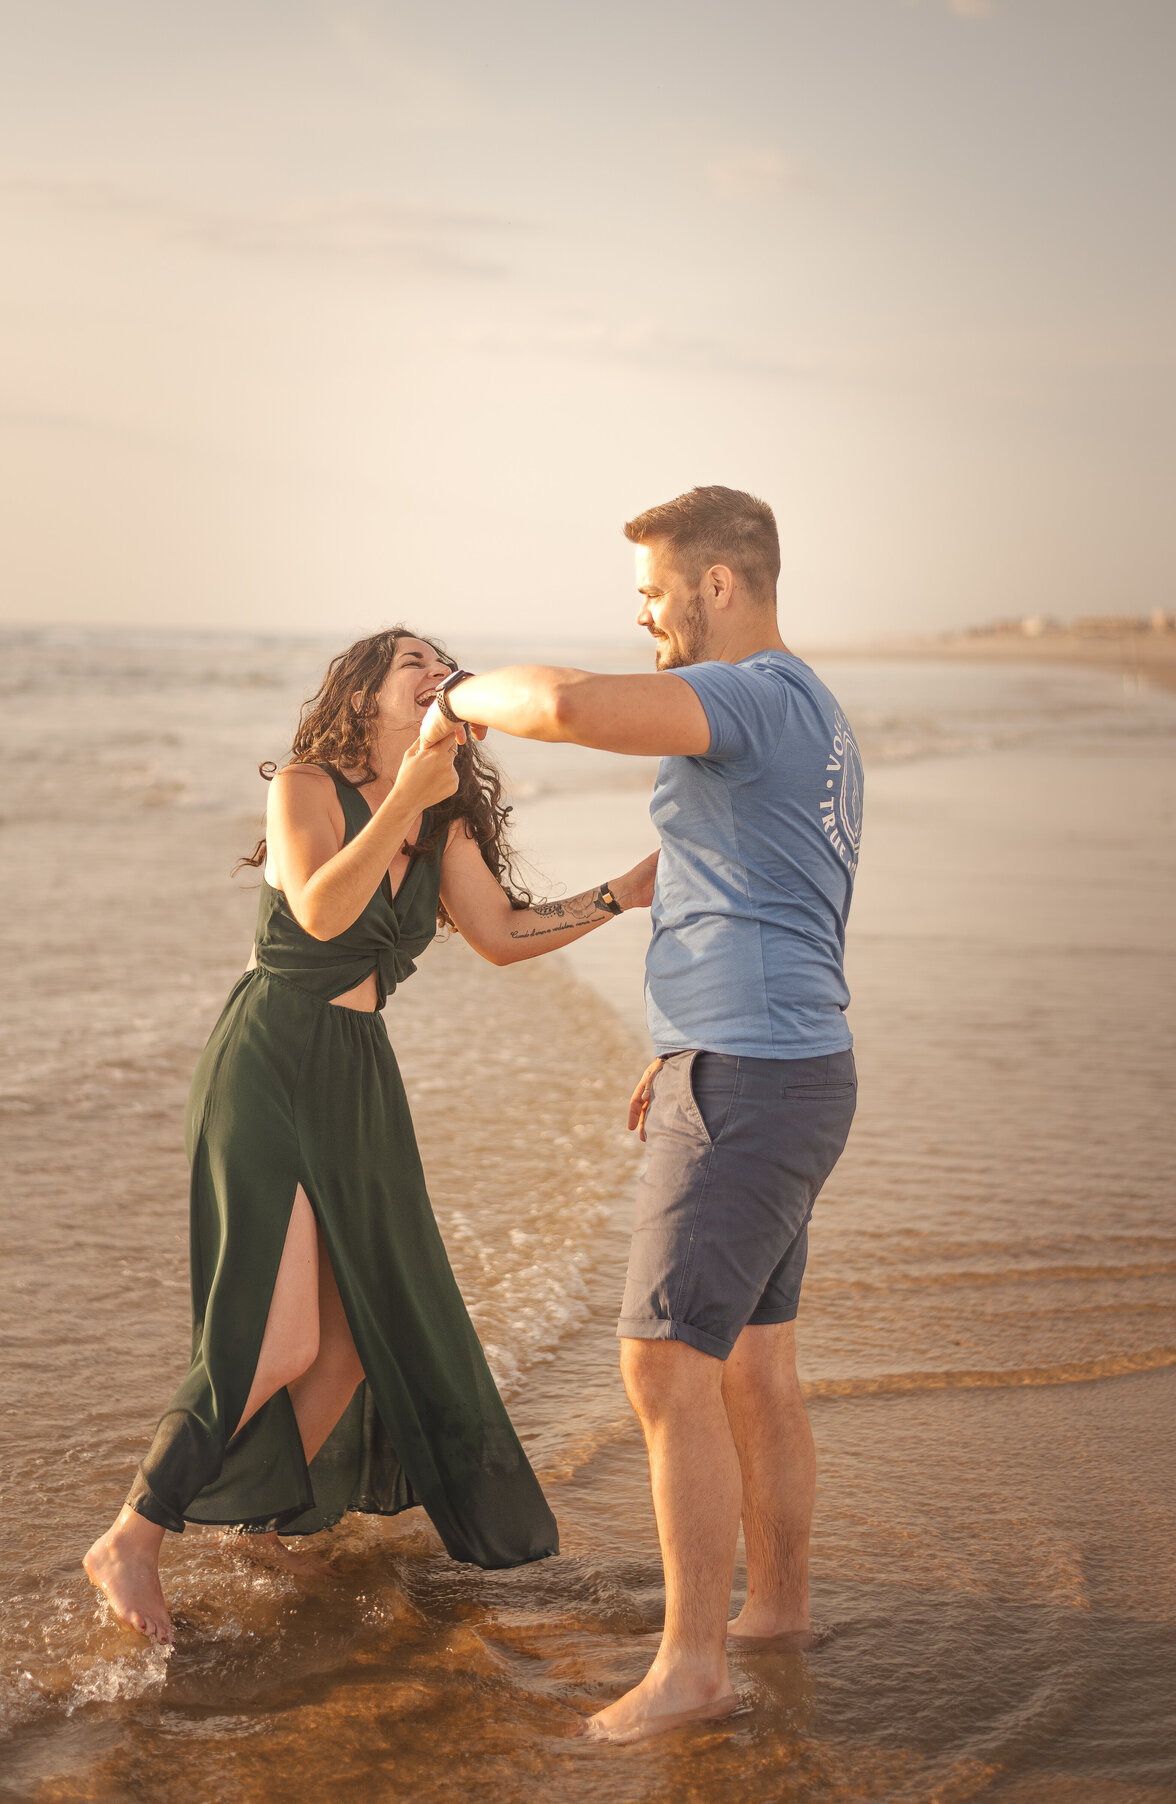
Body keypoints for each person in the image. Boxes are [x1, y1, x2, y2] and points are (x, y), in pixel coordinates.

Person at [83, 628, 658, 1644]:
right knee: (279, 1332)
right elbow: (315, 909)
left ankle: (265, 1526)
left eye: (448, 664)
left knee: (351, 1347)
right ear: (364, 692)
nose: (440, 674)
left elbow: (502, 936)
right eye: (415, 664)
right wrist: (408, 792)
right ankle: (133, 1531)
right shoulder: (306, 785)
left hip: (357, 1074)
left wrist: (625, 891)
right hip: (270, 1061)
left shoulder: (443, 825)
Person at [417, 486, 862, 1744]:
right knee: (754, 1362)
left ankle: (691, 1667)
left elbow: (559, 707)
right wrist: (682, 1049)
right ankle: (771, 1614)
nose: (648, 616)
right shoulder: (819, 715)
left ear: (719, 584)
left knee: (663, 1362)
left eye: (655, 592)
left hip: (751, 1071)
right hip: (782, 1061)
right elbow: (766, 893)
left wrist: (452, 698)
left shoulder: (751, 697)